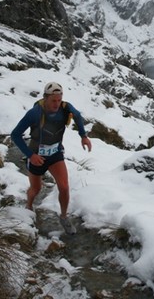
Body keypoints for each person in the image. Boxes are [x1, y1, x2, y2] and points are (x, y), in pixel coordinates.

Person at [11, 82, 92, 234]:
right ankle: (28, 207)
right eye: (53, 100)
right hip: (37, 156)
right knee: (36, 188)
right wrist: (30, 155)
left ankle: (63, 216)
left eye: (59, 100)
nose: (56, 104)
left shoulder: (65, 107)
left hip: (55, 153)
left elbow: (78, 116)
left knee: (64, 186)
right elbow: (15, 135)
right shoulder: (35, 113)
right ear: (46, 98)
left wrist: (84, 136)